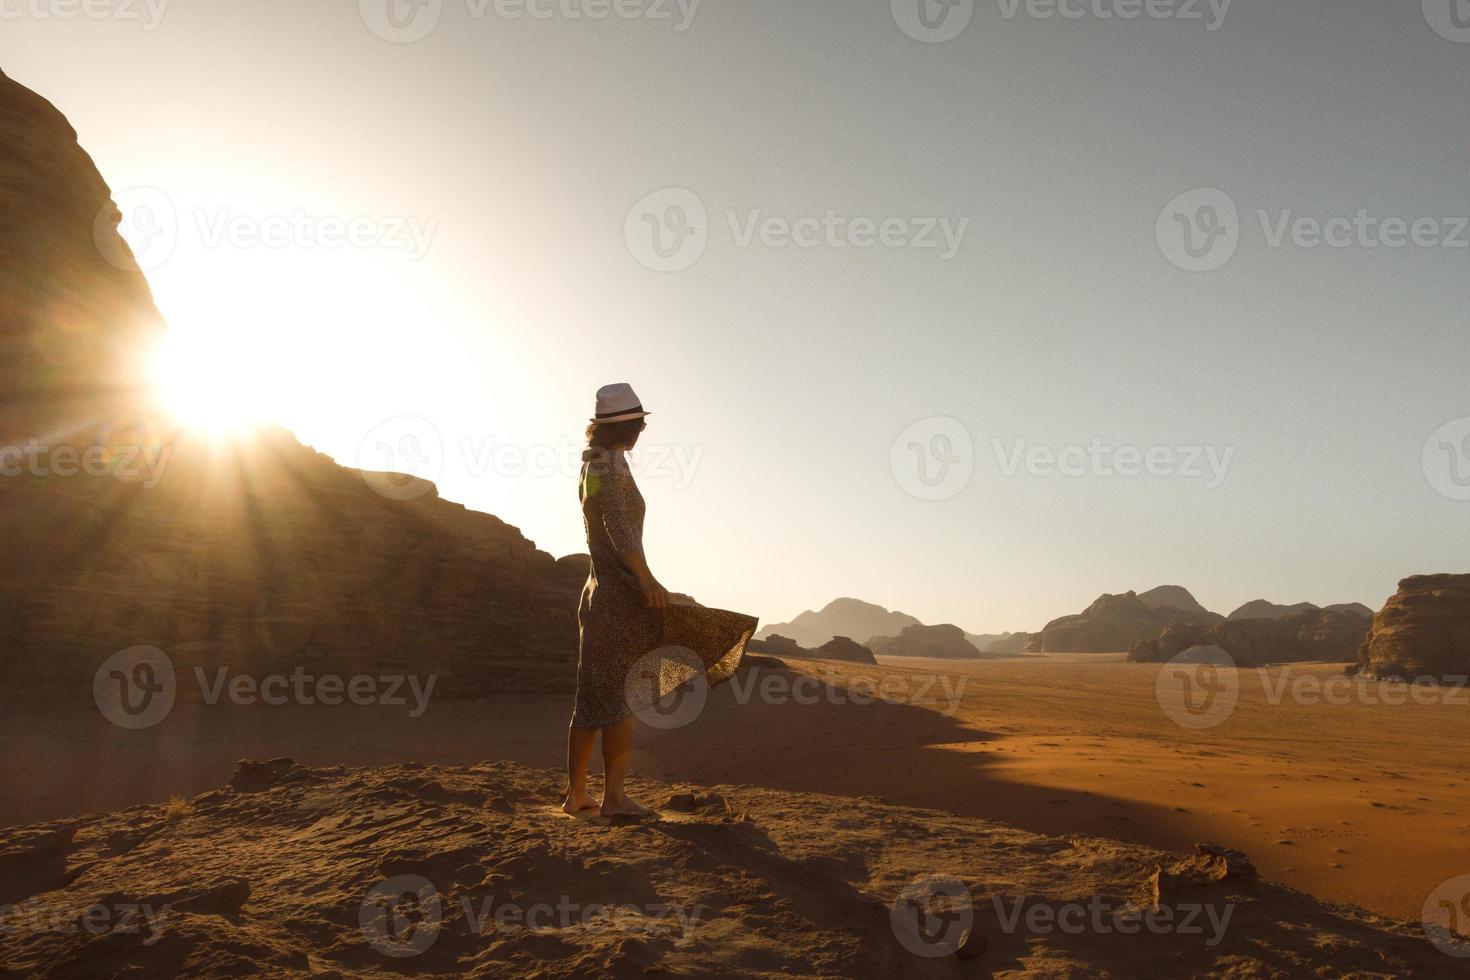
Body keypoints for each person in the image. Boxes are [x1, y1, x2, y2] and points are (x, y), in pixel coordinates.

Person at [562, 383, 757, 818]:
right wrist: (646, 578)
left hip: (600, 590)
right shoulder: (607, 464)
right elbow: (617, 524)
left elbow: (603, 521)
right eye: (639, 422)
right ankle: (613, 799)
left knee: (593, 697)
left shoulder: (591, 463)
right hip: (618, 593)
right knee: (621, 698)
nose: (644, 428)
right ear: (624, 425)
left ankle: (576, 795)